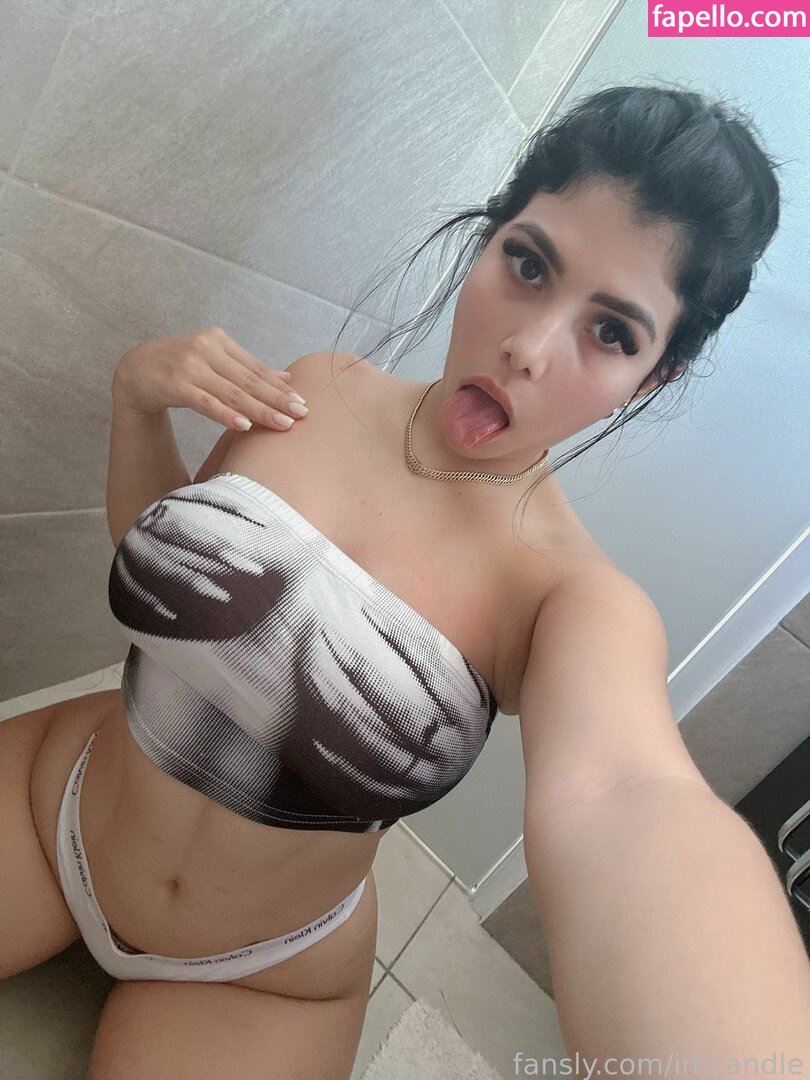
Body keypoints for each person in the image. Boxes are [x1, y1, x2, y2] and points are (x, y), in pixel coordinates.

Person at [3, 83, 809, 1079]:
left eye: (611, 333)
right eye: (528, 264)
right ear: (488, 237)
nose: (527, 348)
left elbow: (627, 797)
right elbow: (168, 573)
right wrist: (136, 400)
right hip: (56, 809)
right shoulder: (318, 387)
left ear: (650, 379)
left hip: (258, 974)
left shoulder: (571, 601)